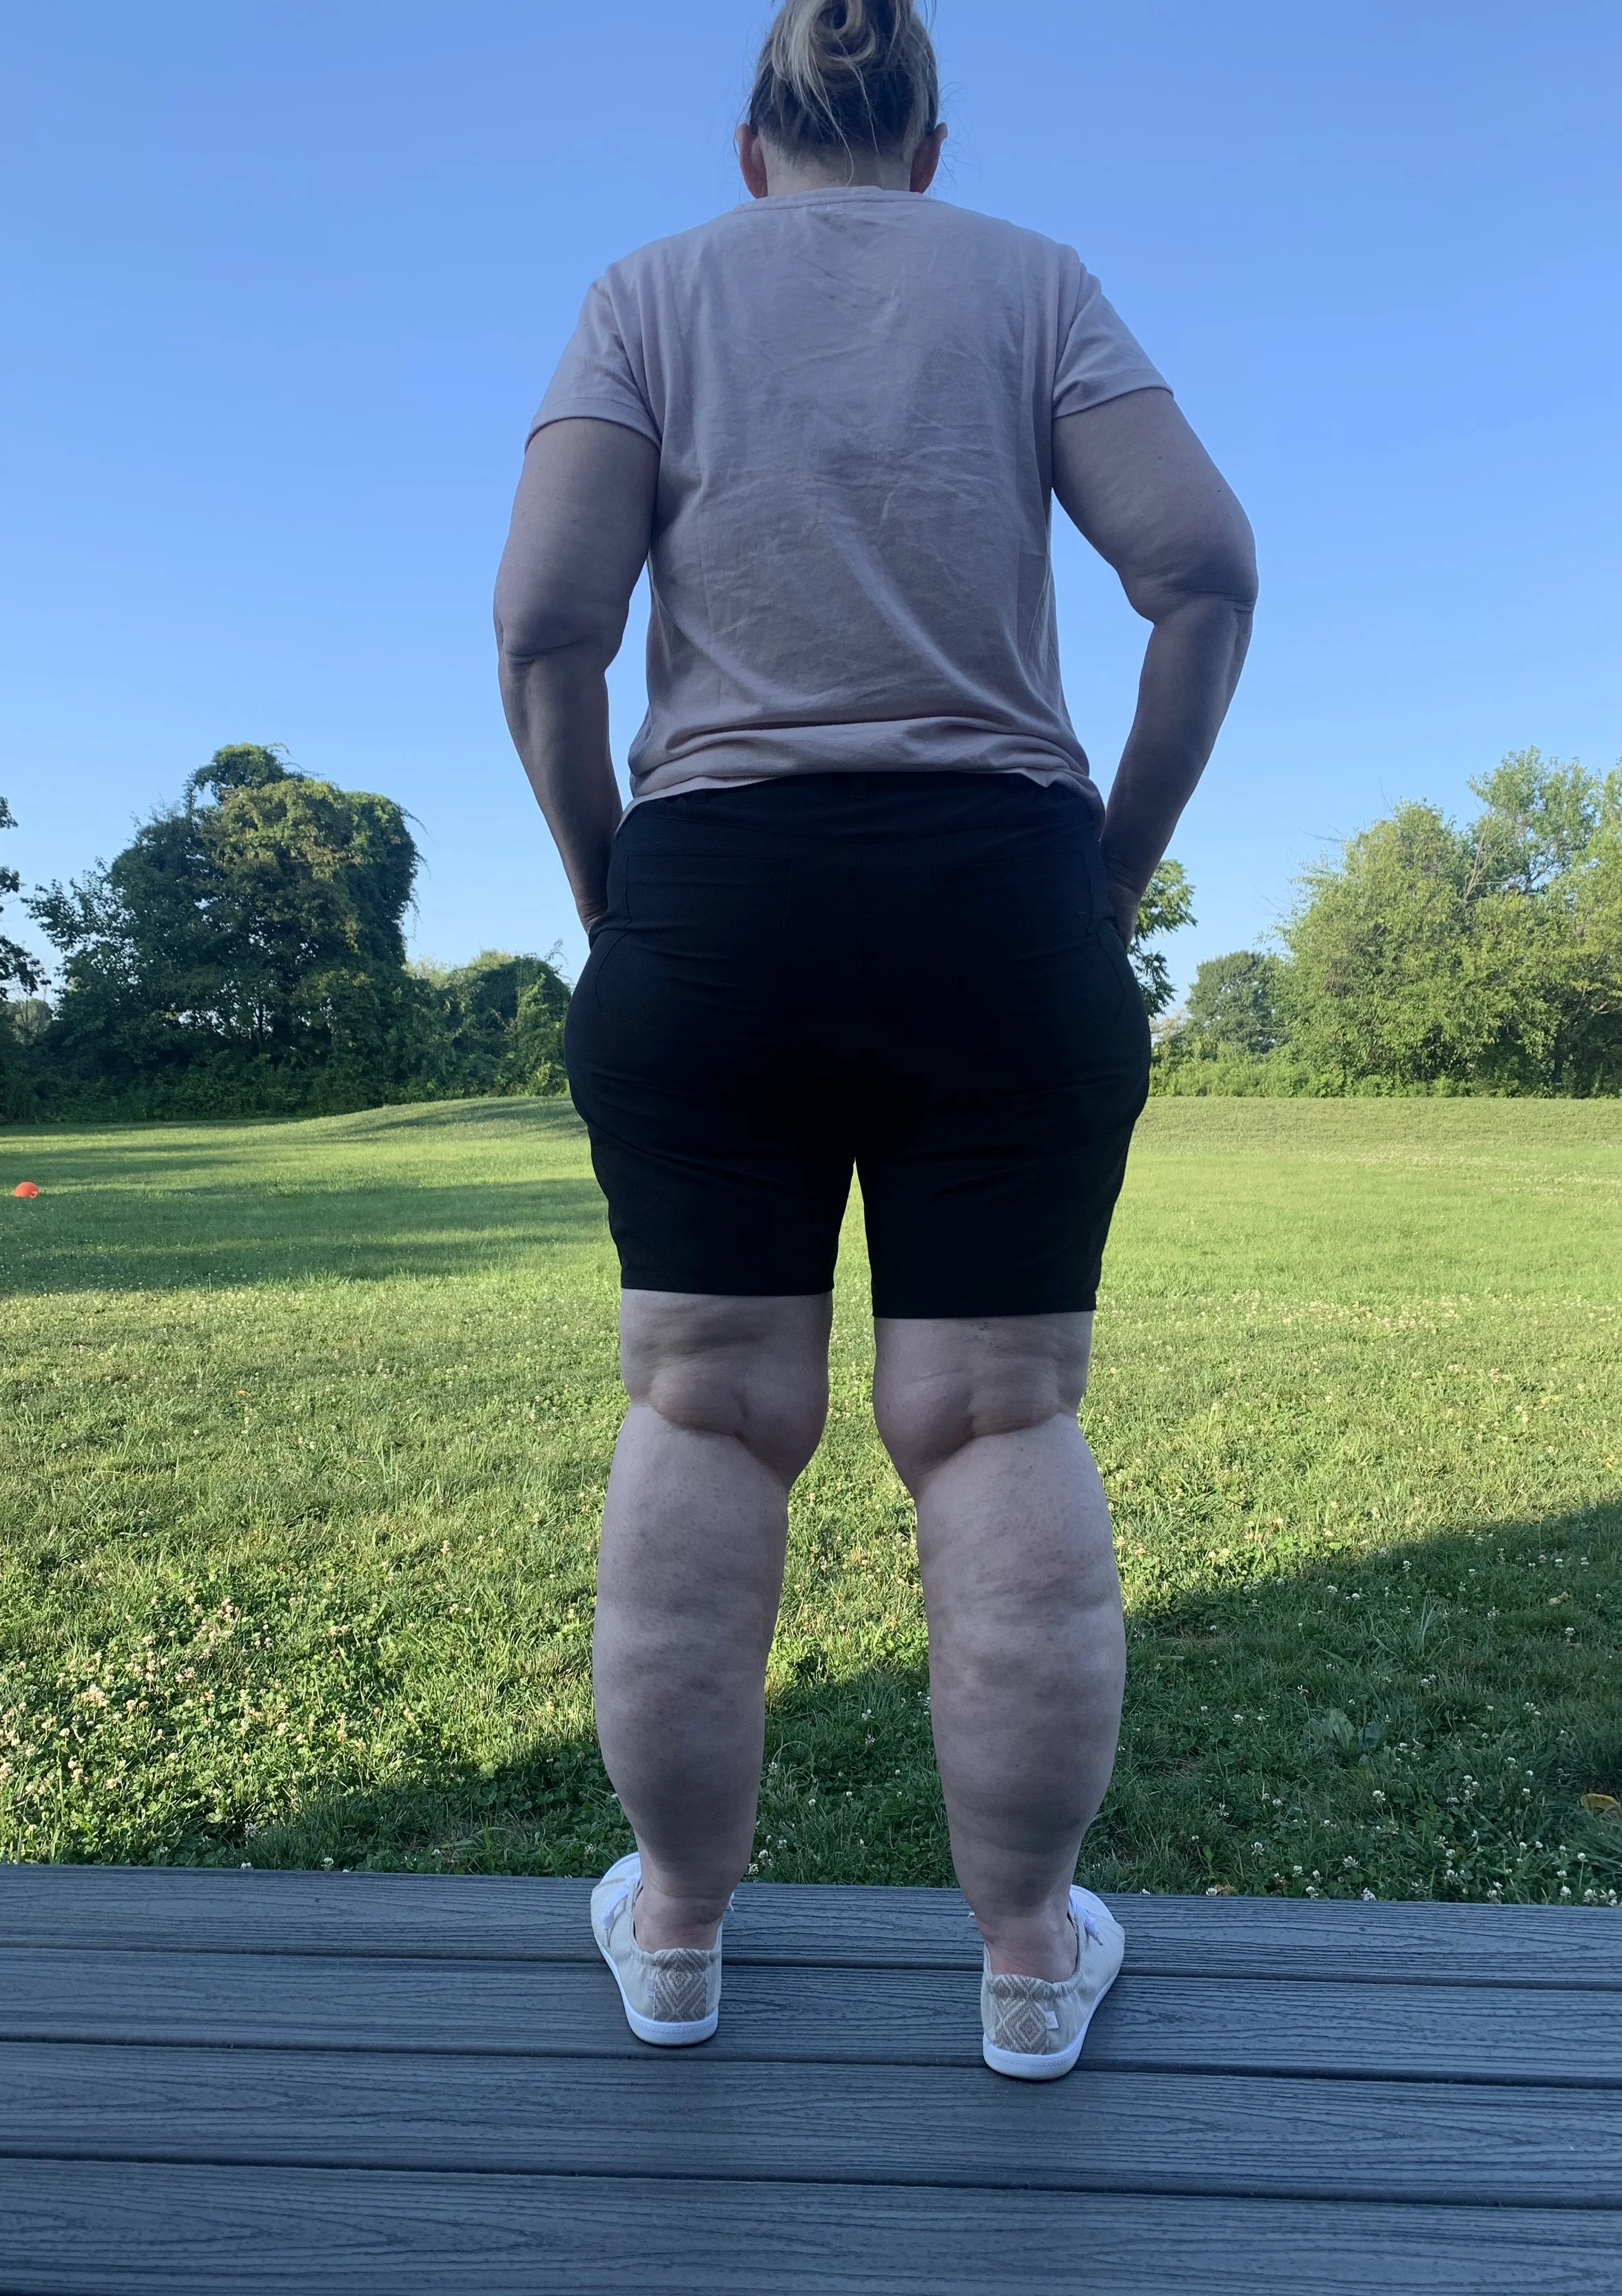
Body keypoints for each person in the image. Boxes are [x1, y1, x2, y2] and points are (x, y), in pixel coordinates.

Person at [495, 0, 1255, 2078]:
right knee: (997, 1422)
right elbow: (1201, 573)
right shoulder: (1032, 282)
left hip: (716, 902)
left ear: (752, 148)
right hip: (998, 899)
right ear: (926, 145)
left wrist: (621, 899)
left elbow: (546, 630)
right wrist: (1104, 877)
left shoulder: (646, 295)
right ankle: (1027, 1959)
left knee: (704, 1413)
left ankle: (673, 1937)